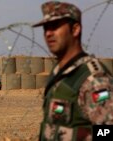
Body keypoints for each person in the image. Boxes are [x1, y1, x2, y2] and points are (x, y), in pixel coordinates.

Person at [32, 1, 113, 140]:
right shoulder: (59, 73)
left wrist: (80, 136)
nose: (48, 33)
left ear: (75, 29)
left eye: (55, 26)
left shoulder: (94, 79)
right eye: (46, 28)